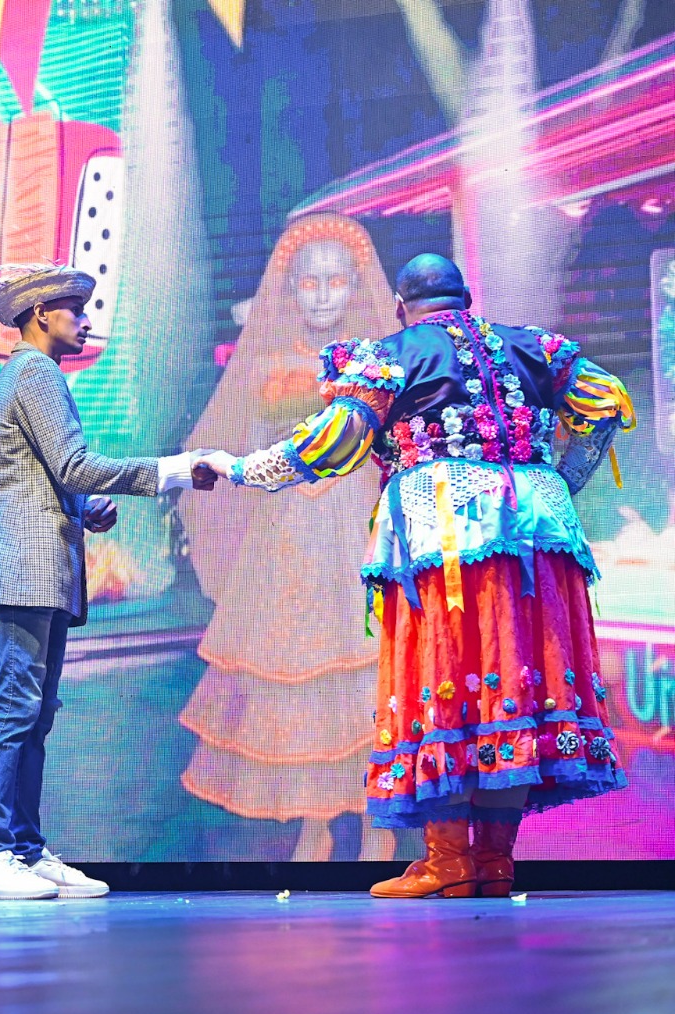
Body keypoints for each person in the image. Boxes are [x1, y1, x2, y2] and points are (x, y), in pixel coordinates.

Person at [195, 254, 635, 898]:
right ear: (466, 299)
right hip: (538, 536)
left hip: (444, 538)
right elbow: (606, 403)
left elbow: (335, 441)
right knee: (514, 684)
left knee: (442, 678)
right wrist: (561, 481)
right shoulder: (532, 347)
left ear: (402, 306)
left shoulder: (389, 356)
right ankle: (494, 862)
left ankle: (447, 861)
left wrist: (242, 469)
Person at [0, 264, 214, 900]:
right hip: (25, 565)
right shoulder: (34, 372)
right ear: (41, 313)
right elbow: (73, 465)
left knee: (36, 711)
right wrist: (173, 470)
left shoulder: (35, 373)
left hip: (42, 564)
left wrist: (81, 508)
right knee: (19, 706)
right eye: (74, 309)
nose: (84, 320)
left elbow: (49, 475)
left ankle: (24, 847)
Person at [177, 213, 400, 861]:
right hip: (285, 538)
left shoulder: (380, 359)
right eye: (309, 281)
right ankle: (314, 819)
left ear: (357, 283)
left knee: (368, 666)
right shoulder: (264, 362)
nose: (323, 294)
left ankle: (378, 817)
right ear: (289, 287)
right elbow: (224, 441)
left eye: (337, 280)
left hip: (359, 526)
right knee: (295, 670)